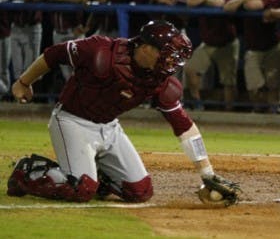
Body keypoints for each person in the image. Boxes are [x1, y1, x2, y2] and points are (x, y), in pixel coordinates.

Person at [6, 20, 239, 204]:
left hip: (109, 127)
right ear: (146, 47)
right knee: (82, 189)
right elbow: (53, 54)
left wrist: (207, 174)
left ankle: (98, 176)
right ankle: (27, 173)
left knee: (140, 192)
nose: (171, 62)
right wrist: (24, 82)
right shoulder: (101, 51)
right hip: (71, 121)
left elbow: (184, 126)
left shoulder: (159, 81)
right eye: (166, 53)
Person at [224, 0, 280, 112]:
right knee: (253, 85)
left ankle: (272, 114)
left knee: (273, 85)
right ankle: (258, 112)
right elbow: (227, 8)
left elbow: (255, 6)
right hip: (253, 49)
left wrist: (245, 2)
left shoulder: (272, 0)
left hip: (273, 47)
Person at [185, 0, 238, 111]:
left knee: (228, 81)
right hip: (208, 44)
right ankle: (197, 103)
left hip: (227, 44)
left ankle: (228, 111)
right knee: (190, 69)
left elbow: (218, 2)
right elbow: (189, 1)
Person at [2, 0, 43, 86]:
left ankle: (31, 98)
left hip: (32, 28)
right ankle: (19, 98)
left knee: (30, 67)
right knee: (17, 68)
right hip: (16, 27)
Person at [40, 0, 86, 81]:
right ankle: (75, 98)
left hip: (74, 32)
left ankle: (85, 97)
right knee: (66, 73)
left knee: (80, 68)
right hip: (58, 34)